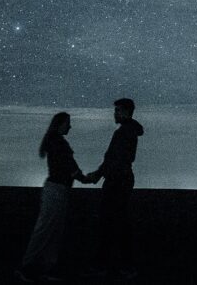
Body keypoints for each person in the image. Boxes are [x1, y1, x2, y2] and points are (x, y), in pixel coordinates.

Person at [17, 112, 89, 283]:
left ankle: (42, 269)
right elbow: (70, 166)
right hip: (56, 190)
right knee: (45, 230)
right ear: (61, 124)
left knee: (52, 231)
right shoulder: (58, 142)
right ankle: (27, 268)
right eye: (68, 123)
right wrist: (85, 178)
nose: (70, 126)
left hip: (57, 189)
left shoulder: (54, 141)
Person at [85, 98, 144, 279]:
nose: (115, 113)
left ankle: (107, 265)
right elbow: (114, 158)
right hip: (121, 179)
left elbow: (113, 158)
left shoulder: (123, 133)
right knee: (118, 221)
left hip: (118, 181)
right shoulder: (129, 131)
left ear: (126, 112)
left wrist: (98, 174)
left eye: (118, 110)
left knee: (110, 222)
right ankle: (121, 265)